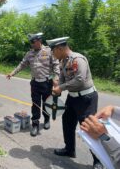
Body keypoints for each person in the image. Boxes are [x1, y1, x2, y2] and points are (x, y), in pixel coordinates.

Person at [47, 37, 103, 169]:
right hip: (72, 98)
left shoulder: (78, 59)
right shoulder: (64, 61)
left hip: (86, 98)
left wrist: (61, 87)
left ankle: (98, 160)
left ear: (60, 49)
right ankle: (69, 149)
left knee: (88, 128)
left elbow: (80, 80)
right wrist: (57, 86)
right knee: (67, 122)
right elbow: (61, 78)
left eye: (54, 51)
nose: (53, 55)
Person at [6, 33, 60, 137]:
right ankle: (35, 124)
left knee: (46, 103)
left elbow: (56, 65)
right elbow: (22, 64)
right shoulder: (29, 53)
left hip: (47, 83)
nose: (31, 44)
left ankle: (47, 120)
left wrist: (56, 79)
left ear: (39, 41)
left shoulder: (49, 51)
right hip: (35, 83)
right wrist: (12, 73)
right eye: (30, 42)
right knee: (35, 104)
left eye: (33, 42)